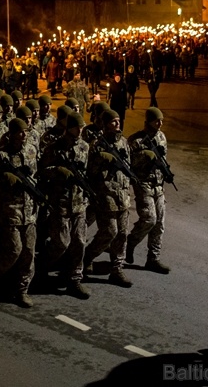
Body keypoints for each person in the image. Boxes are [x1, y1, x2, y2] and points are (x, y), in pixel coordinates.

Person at [37, 111, 92, 299]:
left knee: (79, 242)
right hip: (59, 201)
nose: (81, 129)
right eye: (78, 126)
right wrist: (57, 171)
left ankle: (74, 279)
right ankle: (40, 267)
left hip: (78, 202)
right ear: (69, 128)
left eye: (83, 126)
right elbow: (42, 171)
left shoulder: (85, 147)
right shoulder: (54, 148)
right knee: (61, 242)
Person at [0, 118, 41, 308]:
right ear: (11, 134)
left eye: (25, 131)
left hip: (30, 211)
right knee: (13, 250)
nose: (24, 135)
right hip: (10, 211)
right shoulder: (1, 156)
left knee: (28, 253)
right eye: (19, 132)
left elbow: (37, 175)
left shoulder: (32, 150)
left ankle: (22, 290)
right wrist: (4, 178)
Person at [83, 109, 134, 288]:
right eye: (113, 121)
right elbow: (90, 171)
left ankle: (117, 269)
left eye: (118, 120)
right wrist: (101, 158)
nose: (117, 124)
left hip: (122, 196)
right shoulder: (97, 145)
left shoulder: (124, 143)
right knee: (109, 232)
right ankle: (87, 256)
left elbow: (127, 167)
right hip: (105, 196)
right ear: (105, 124)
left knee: (121, 234)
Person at [126, 107, 171, 273]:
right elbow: (130, 164)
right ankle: (130, 242)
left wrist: (166, 172)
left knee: (159, 223)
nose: (159, 124)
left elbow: (163, 159)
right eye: (156, 120)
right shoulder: (136, 140)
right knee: (150, 219)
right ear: (148, 121)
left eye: (161, 121)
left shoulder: (161, 137)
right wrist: (146, 155)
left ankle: (153, 258)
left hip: (158, 185)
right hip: (143, 184)